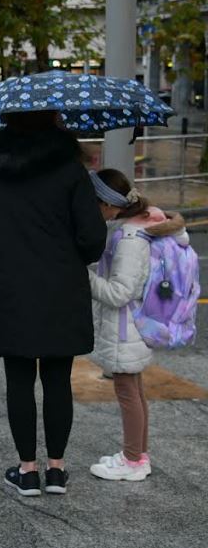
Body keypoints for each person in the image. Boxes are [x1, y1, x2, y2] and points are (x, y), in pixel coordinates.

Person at [0, 110, 107, 497]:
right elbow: (92, 238)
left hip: (9, 287)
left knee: (17, 380)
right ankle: (56, 469)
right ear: (53, 124)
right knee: (57, 379)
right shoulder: (70, 171)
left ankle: (27, 470)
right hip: (60, 288)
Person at [87, 169, 189, 482]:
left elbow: (119, 292)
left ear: (107, 203)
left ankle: (132, 461)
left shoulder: (130, 237)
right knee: (135, 390)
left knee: (128, 392)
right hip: (136, 323)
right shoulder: (142, 224)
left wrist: (83, 277)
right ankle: (138, 454)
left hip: (126, 326)